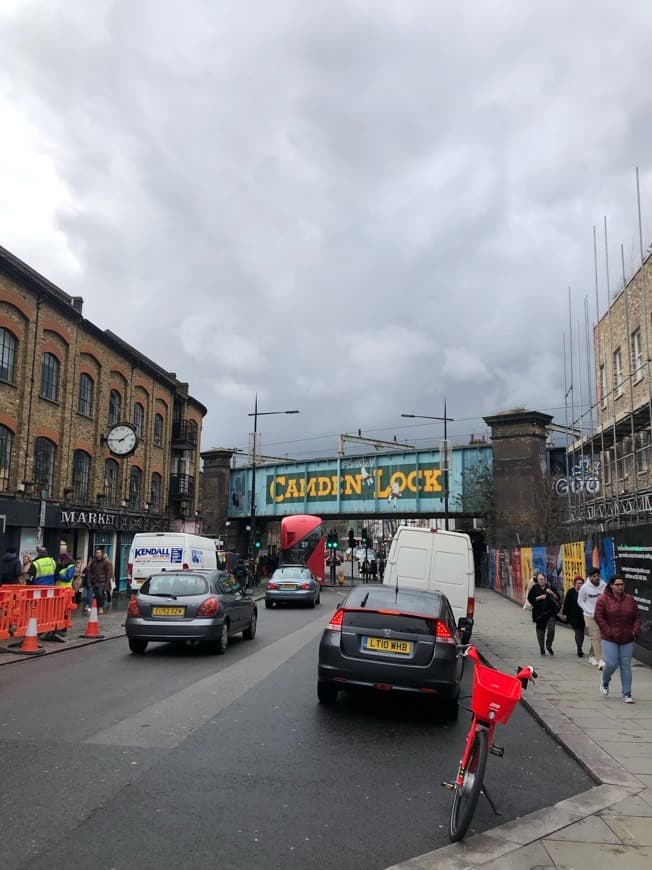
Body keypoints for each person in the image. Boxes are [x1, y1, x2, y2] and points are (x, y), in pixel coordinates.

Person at [595, 575, 641, 703]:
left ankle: (627, 693)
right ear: (611, 585)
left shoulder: (630, 599)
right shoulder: (603, 599)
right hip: (610, 638)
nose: (620, 587)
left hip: (627, 638)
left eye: (622, 584)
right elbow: (598, 616)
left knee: (626, 666)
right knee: (611, 663)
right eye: (617, 584)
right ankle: (605, 680)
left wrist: (635, 631)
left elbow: (637, 616)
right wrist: (608, 631)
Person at [578, 567, 606, 669]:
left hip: (602, 615)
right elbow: (580, 601)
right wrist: (589, 610)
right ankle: (600, 660)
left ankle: (592, 655)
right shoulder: (585, 588)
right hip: (589, 616)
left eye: (598, 576)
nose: (597, 578)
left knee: (599, 636)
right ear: (590, 577)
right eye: (594, 576)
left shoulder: (604, 586)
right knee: (596, 636)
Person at [527, 572, 561, 655]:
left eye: (542, 579)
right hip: (539, 614)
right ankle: (542, 648)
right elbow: (530, 599)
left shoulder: (550, 587)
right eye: (540, 579)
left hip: (550, 613)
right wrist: (540, 597)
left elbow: (558, 598)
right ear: (537, 580)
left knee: (551, 630)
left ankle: (549, 645)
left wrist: (552, 593)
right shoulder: (535, 588)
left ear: (545, 579)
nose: (541, 581)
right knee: (540, 632)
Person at [560, 575, 586, 657]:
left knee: (581, 631)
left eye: (581, 583)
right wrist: (564, 614)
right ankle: (579, 648)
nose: (580, 585)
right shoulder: (570, 592)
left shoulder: (585, 592)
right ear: (575, 584)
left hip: (583, 615)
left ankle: (580, 646)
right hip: (573, 615)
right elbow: (566, 603)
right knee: (578, 630)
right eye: (578, 583)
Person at [86, 547, 113, 614]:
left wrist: (107, 582)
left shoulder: (106, 562)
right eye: (96, 552)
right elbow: (89, 572)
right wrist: (89, 581)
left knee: (100, 594)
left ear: (101, 553)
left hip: (102, 581)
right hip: (94, 581)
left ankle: (100, 607)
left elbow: (108, 572)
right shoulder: (93, 562)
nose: (97, 554)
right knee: (96, 595)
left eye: (99, 552)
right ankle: (97, 607)